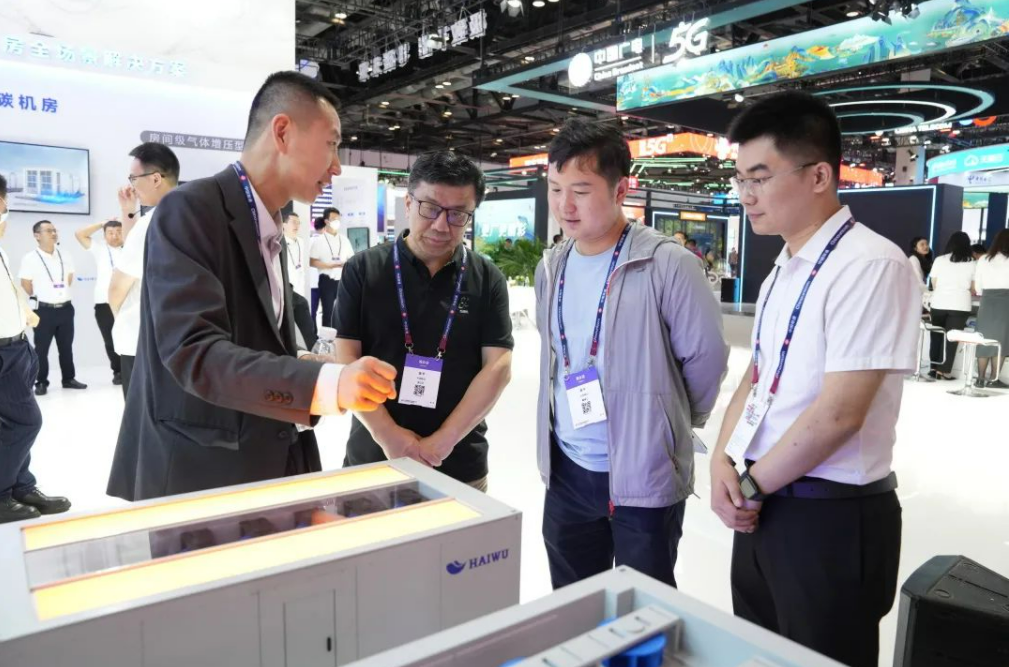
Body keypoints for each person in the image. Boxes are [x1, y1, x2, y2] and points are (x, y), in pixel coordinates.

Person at [106, 71, 398, 501]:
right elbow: (195, 353)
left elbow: (252, 336)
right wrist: (328, 382)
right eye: (331, 144)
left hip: (267, 457)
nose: (336, 166)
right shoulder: (190, 210)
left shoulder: (267, 222)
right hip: (202, 473)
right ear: (282, 132)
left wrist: (304, 359)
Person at [713, 91, 919, 667]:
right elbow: (758, 376)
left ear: (820, 175)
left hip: (830, 515)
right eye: (740, 179)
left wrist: (748, 487)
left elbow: (840, 413)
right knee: (759, 653)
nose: (746, 195)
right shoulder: (783, 268)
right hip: (766, 501)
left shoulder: (870, 264)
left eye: (760, 177)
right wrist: (723, 461)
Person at [535, 118, 728, 590]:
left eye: (581, 191)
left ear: (621, 189)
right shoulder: (552, 265)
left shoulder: (668, 265)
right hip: (567, 469)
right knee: (574, 602)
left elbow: (706, 361)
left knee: (644, 608)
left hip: (644, 475)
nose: (564, 205)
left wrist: (666, 421)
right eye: (555, 189)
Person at [335, 151, 513, 492]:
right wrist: (388, 435)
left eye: (458, 214)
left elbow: (498, 367)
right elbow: (346, 358)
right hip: (373, 456)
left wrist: (443, 442)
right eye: (430, 208)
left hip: (459, 461)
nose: (441, 225)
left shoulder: (487, 277)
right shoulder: (363, 269)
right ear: (408, 203)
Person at [0, 176, 72, 522]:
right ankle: (3, 494)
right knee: (25, 422)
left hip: (15, 346)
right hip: (4, 350)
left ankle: (20, 486)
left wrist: (23, 312)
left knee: (14, 423)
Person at [108, 143, 180, 398]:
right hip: (177, 340)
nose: (132, 186)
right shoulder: (191, 215)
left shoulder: (151, 223)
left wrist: (120, 315)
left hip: (139, 339)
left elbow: (116, 290)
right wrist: (128, 212)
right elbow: (136, 250)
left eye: (134, 178)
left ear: (156, 178)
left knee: (140, 415)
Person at [18, 221, 86, 395]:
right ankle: (41, 382)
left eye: (55, 230)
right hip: (43, 311)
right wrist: (44, 295)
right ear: (37, 235)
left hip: (66, 308)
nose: (54, 233)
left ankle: (68, 379)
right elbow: (26, 284)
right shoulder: (30, 258)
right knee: (41, 349)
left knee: (66, 347)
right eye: (49, 231)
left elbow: (69, 278)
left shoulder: (65, 255)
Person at [74, 219, 125, 385]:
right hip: (104, 303)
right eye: (110, 232)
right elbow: (79, 234)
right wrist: (102, 223)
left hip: (128, 302)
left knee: (131, 337)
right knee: (110, 340)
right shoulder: (100, 249)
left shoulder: (131, 249)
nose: (115, 236)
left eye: (118, 232)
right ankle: (118, 371)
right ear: (104, 235)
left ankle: (134, 369)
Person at [928, 232, 975, 380]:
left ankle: (933, 368)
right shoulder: (973, 263)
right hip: (960, 304)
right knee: (952, 338)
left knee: (936, 336)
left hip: (939, 303)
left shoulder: (940, 260)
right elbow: (973, 288)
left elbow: (934, 283)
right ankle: (943, 371)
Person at [974, 229, 1009, 389]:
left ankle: (980, 378)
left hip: (987, 301)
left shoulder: (984, 259)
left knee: (984, 339)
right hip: (1006, 301)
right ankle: (994, 379)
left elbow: (978, 287)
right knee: (1002, 340)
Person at [310, 206, 351, 328]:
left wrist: (346, 265)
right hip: (326, 280)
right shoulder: (319, 240)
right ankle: (327, 338)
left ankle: (342, 336)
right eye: (334, 219)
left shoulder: (344, 239)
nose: (337, 221)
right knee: (327, 313)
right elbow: (312, 261)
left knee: (344, 311)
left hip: (343, 280)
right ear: (326, 221)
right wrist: (329, 266)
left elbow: (351, 258)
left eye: (338, 219)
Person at [283, 211, 317, 349]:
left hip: (299, 291)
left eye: (298, 223)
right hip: (286, 292)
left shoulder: (301, 242)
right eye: (293, 222)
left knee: (308, 328)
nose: (296, 225)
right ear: (284, 224)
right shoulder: (278, 242)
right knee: (287, 331)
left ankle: (314, 352)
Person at [309, 216, 326, 322]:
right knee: (327, 312)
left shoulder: (308, 241)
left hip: (312, 283)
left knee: (312, 311)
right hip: (326, 282)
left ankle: (313, 331)